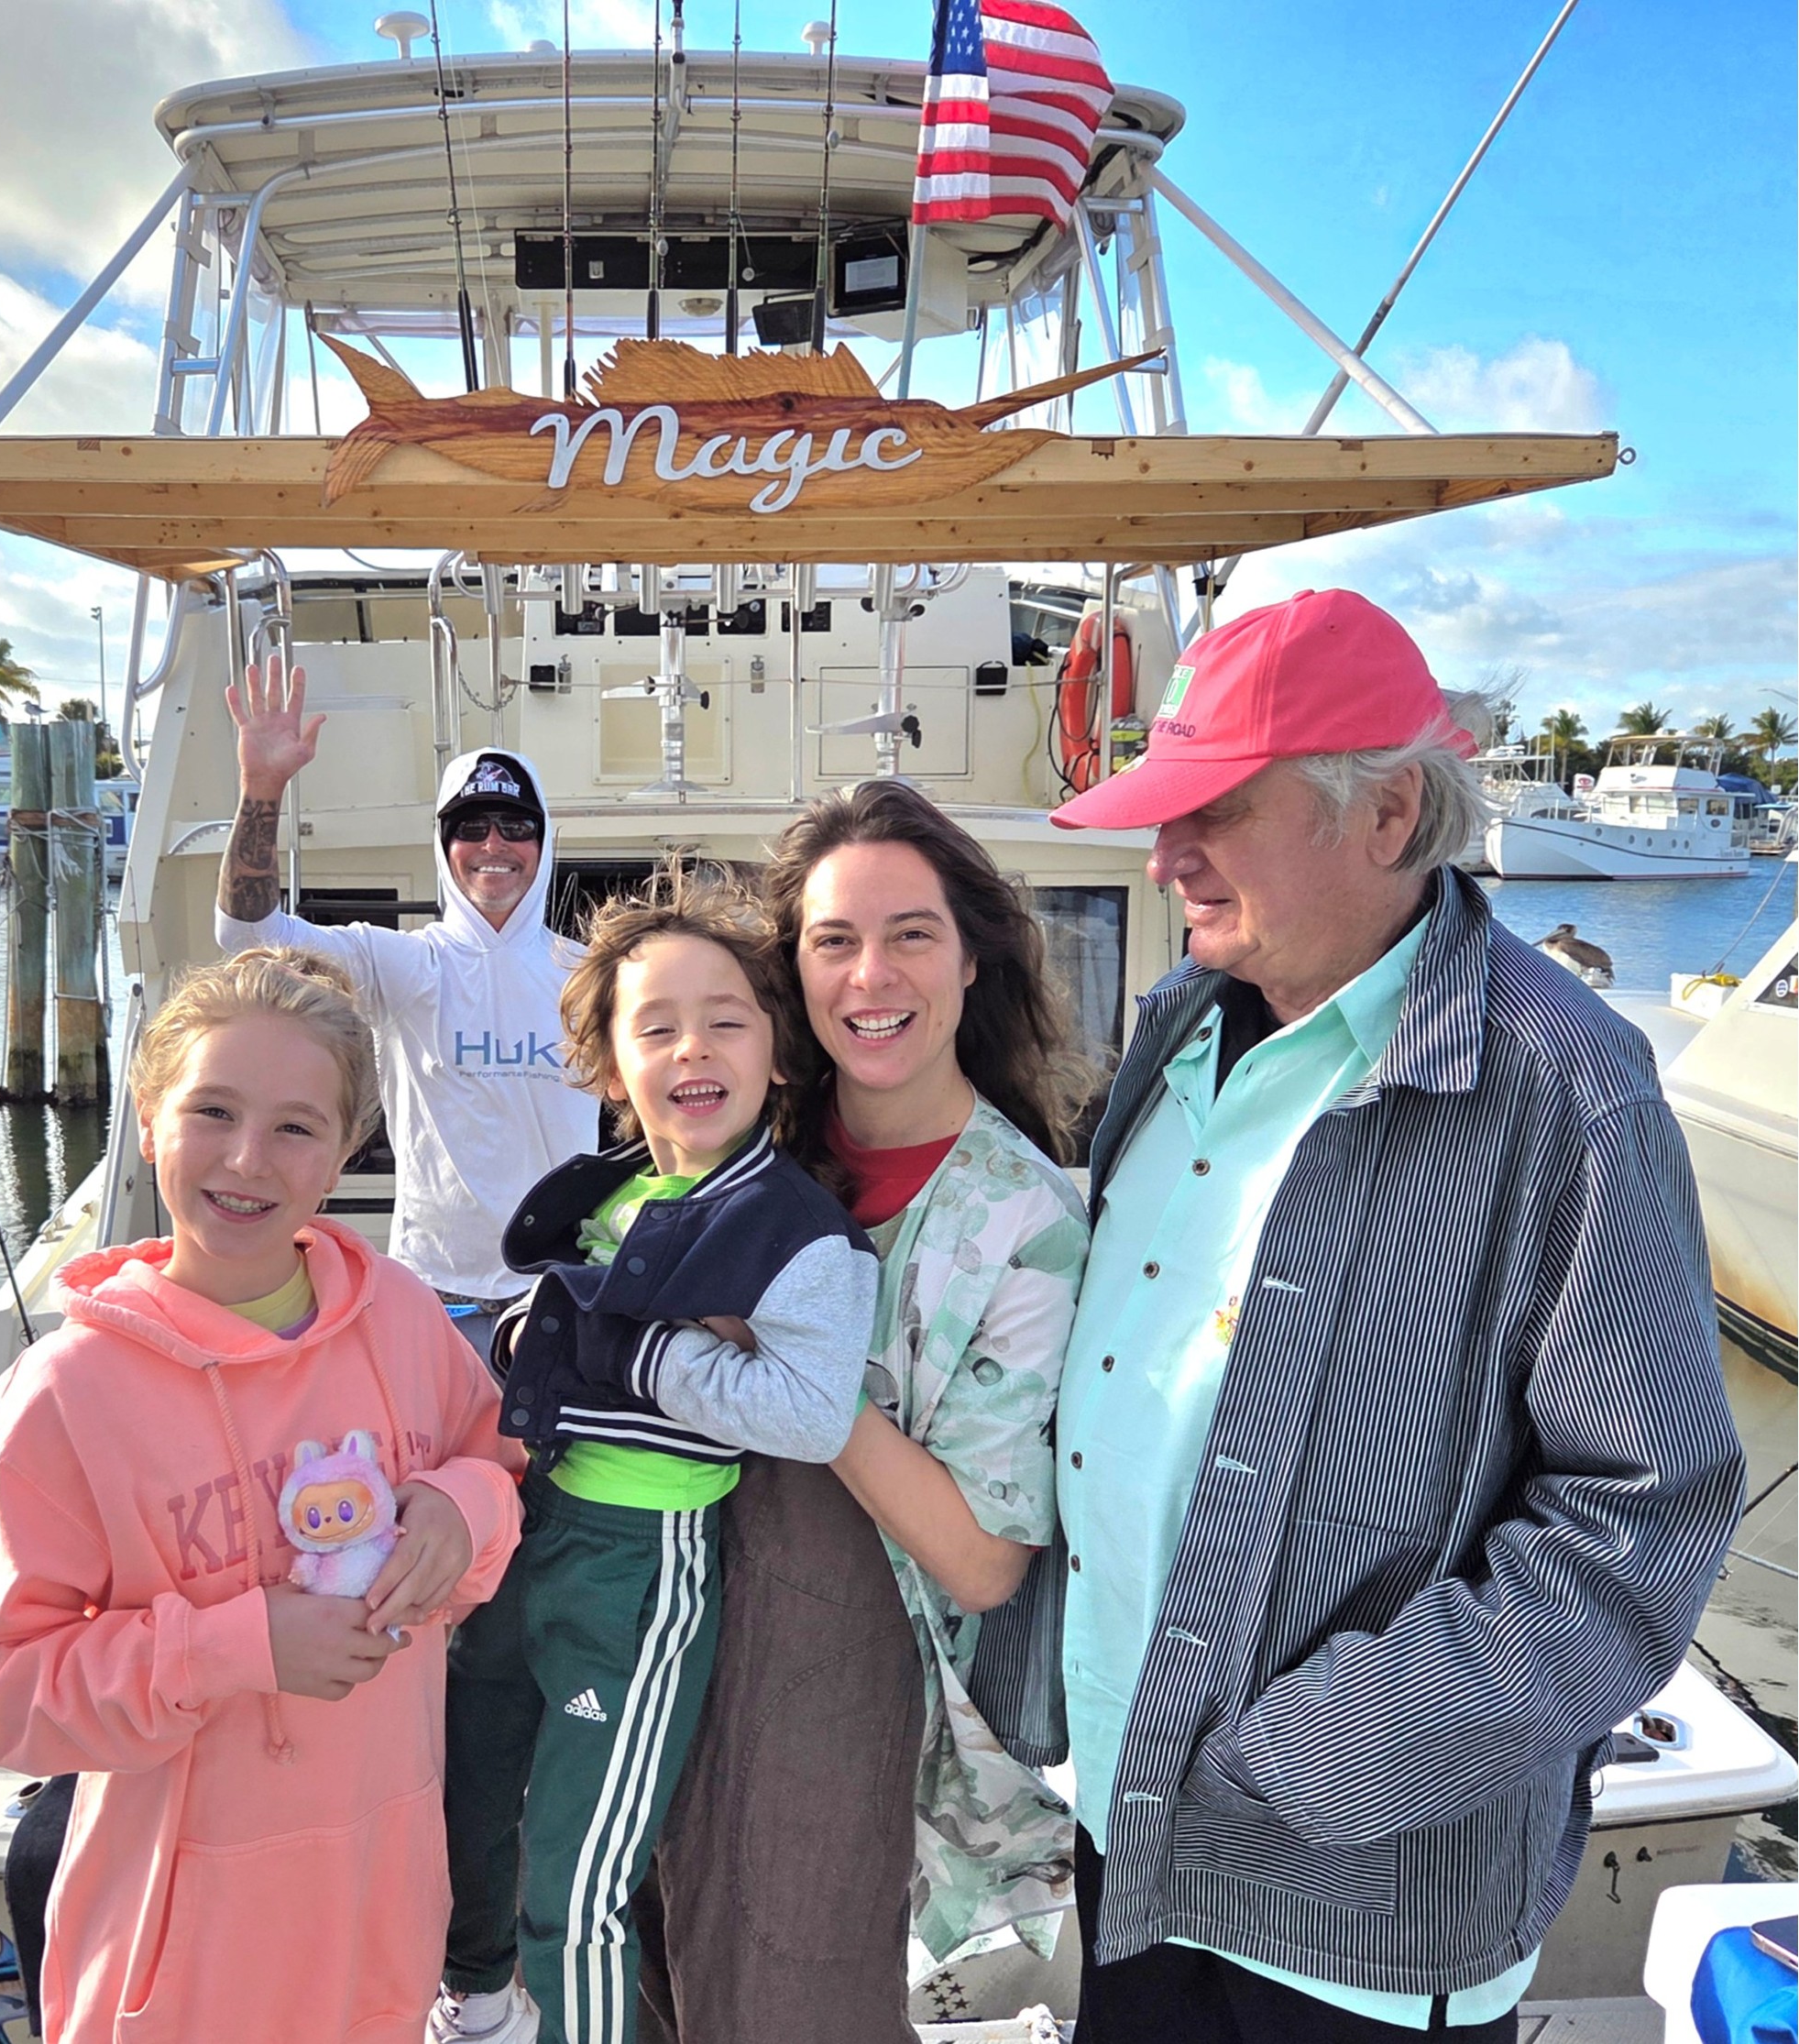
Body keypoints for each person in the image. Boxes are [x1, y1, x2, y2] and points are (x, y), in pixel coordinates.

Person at [1035, 588, 1746, 2042]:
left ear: (1385, 813)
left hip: (1352, 1902)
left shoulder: (1568, 1090)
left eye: (1214, 809)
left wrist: (1310, 1757)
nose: (1163, 852)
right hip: (1128, 1818)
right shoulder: (1178, 1017)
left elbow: (1641, 1525)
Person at [0, 949, 525, 2044]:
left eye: (296, 1125)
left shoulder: (404, 1320)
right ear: (147, 1121)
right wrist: (232, 1648)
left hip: (386, 1926)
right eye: (213, 1110)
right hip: (176, 1974)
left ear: (343, 1152)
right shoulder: (68, 1392)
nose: (248, 1159)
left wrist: (463, 1506)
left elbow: (497, 1459)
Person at [637, 781, 1091, 2044]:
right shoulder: (739, 1147)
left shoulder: (1025, 1222)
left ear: (971, 954)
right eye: (833, 939)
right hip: (683, 1696)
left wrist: (791, 1383)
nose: (869, 973)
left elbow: (985, 1558)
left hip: (877, 1741)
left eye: (910, 934)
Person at [437, 871, 880, 2044]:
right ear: (607, 1064)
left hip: (642, 1571)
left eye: (728, 1018)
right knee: (465, 1792)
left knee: (574, 1894)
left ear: (780, 1052)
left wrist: (635, 1355)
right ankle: (474, 2004)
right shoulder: (612, 1192)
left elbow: (809, 1412)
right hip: (534, 1537)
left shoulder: (795, 1231)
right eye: (657, 1025)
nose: (695, 1046)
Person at [217, 654, 600, 1360]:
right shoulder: (402, 962)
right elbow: (249, 934)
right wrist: (261, 785)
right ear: (444, 843)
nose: (494, 846)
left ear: (544, 844)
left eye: (515, 826)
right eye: (471, 826)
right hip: (431, 1296)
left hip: (563, 1292)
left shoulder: (592, 975)